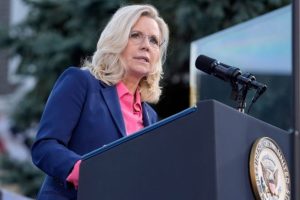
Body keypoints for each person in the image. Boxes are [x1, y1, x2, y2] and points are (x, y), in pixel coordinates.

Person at [31, 4, 169, 200]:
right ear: (116, 40)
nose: (146, 45)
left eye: (154, 40)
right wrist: (89, 172)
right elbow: (45, 146)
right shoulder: (81, 82)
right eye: (135, 35)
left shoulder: (151, 117)